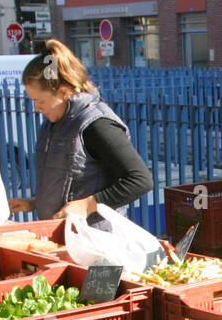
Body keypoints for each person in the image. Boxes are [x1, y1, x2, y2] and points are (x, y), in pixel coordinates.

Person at [8, 39, 152, 220]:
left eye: (41, 101)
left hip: (95, 238)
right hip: (64, 235)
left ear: (64, 92)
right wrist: (35, 201)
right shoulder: (54, 123)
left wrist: (88, 205)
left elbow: (140, 180)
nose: (36, 108)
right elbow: (69, 182)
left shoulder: (97, 124)